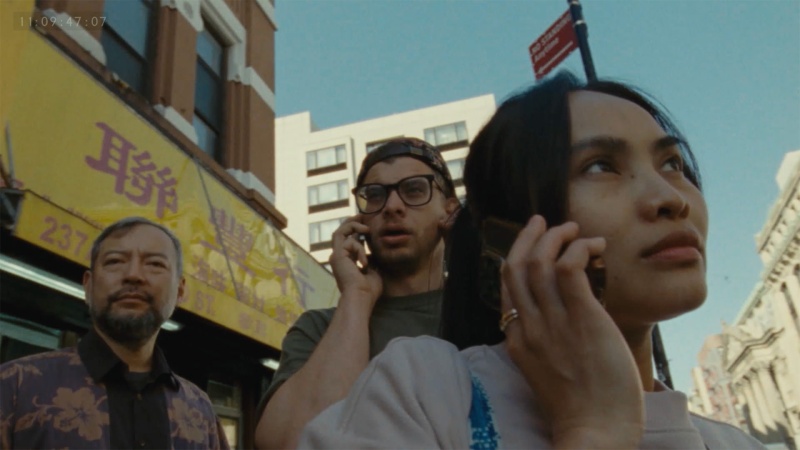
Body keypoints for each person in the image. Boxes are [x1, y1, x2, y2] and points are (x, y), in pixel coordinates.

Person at [297, 71, 767, 449]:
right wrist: (593, 433)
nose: (670, 198)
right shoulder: (421, 389)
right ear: (508, 235)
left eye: (672, 164)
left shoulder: (735, 442)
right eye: (600, 166)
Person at [254, 137, 461, 449]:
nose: (392, 206)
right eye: (374, 195)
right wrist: (357, 295)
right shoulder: (319, 329)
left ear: (450, 211)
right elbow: (290, 441)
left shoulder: (490, 313)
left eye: (415, 190)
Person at [0, 217, 229, 449]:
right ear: (88, 285)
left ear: (179, 291)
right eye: (115, 261)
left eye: (155, 264)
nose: (133, 275)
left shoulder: (200, 411)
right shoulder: (14, 387)